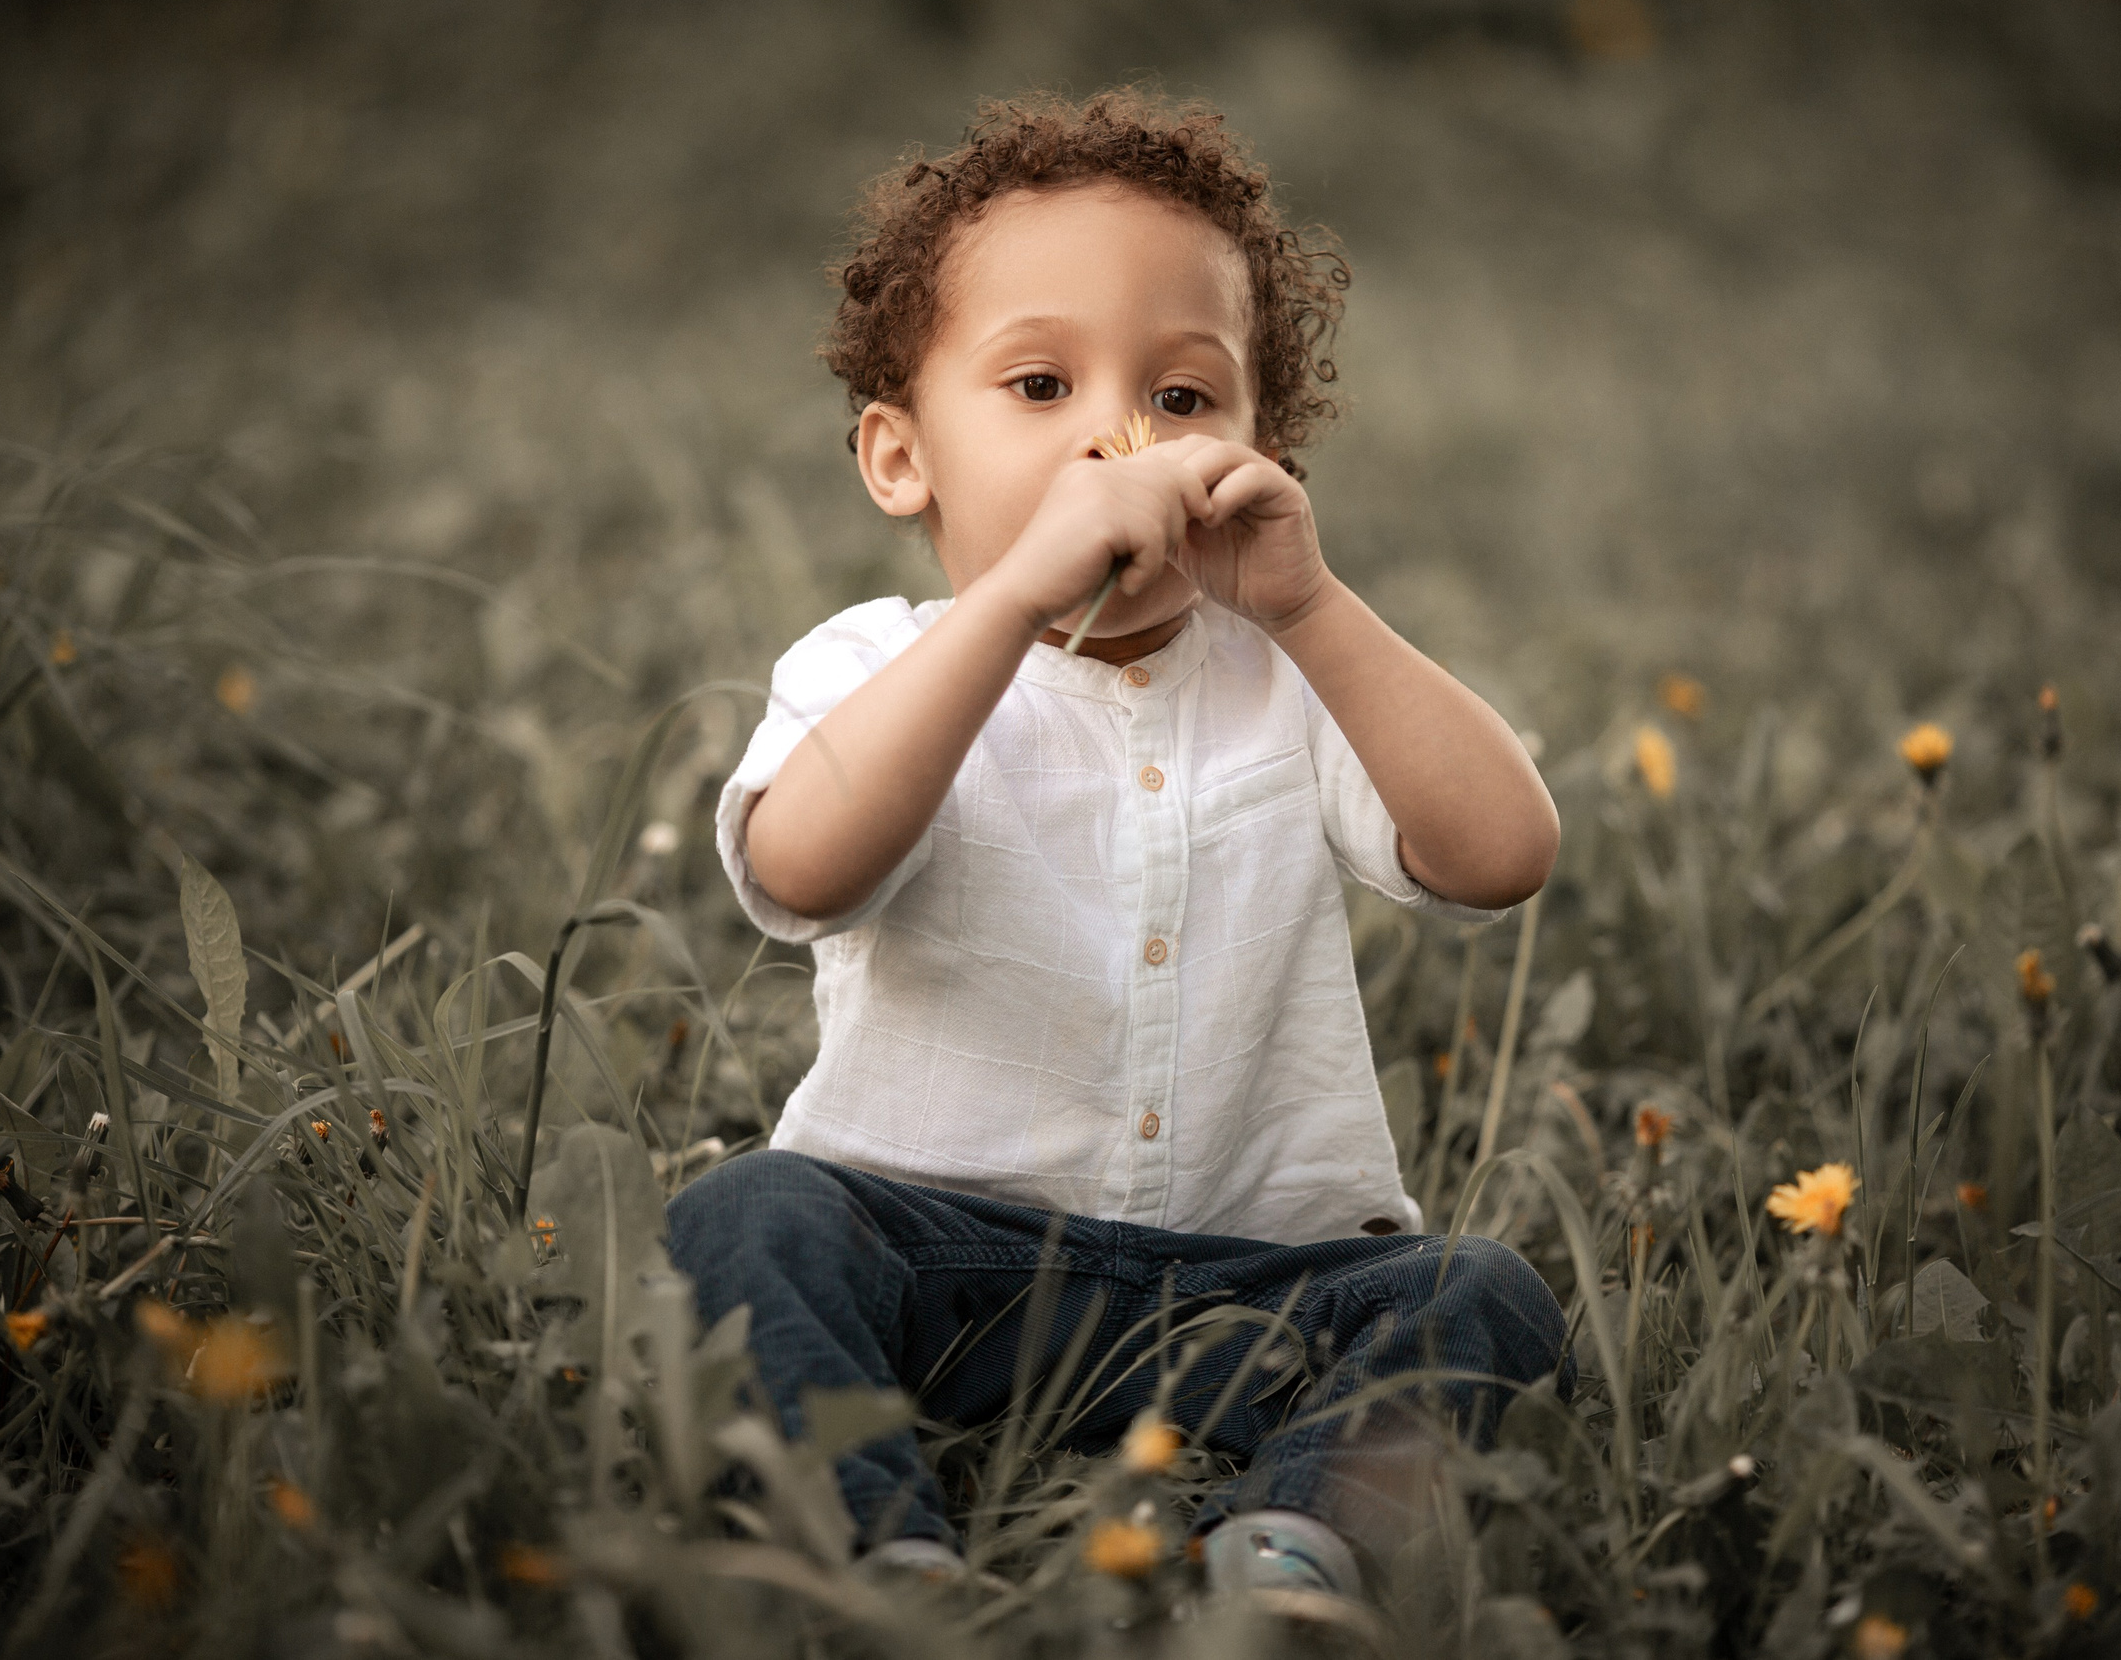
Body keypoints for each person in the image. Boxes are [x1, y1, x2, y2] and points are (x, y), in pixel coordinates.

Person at [666, 89, 1569, 1602]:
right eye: (1037, 385)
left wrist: (1308, 608)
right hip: (931, 1272)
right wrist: (1012, 600)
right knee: (744, 1220)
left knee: (1480, 1293)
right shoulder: (873, 666)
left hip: (1249, 1291)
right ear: (901, 460)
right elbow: (806, 869)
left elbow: (1501, 853)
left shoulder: (1289, 677)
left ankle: (1292, 1553)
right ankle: (875, 1552)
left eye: (1185, 398)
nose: (1118, 436)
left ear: (1259, 447)